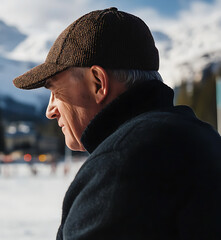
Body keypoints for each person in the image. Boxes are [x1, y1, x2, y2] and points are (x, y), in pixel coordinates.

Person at [13, 7, 221, 239]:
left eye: (55, 91)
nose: (50, 111)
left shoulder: (120, 164)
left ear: (98, 83)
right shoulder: (203, 137)